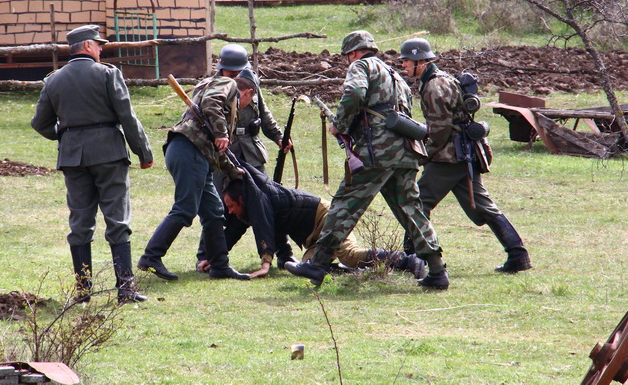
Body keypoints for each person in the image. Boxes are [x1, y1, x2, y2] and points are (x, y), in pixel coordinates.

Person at [285, 30, 449, 290]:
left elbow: (354, 94)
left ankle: (318, 263)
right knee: (411, 210)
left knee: (344, 204)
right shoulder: (396, 76)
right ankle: (437, 271)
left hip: (377, 154)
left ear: (352, 53)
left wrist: (339, 125)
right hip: (406, 152)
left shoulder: (361, 66)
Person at [31, 24, 154, 304]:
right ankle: (125, 289)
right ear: (87, 46)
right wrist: (143, 152)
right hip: (109, 154)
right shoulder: (109, 74)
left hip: (73, 157)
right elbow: (127, 117)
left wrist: (65, 135)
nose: (100, 50)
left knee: (80, 222)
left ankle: (83, 292)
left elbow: (40, 123)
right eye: (98, 45)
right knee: (117, 219)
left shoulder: (53, 80)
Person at [398, 37, 532, 273]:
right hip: (461, 156)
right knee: (483, 207)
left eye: (407, 61)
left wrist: (423, 155)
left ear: (420, 61)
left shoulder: (434, 86)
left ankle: (411, 259)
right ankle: (518, 254)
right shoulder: (438, 80)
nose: (404, 66)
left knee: (417, 204)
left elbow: (439, 130)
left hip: (448, 157)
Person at [196, 163, 427, 280]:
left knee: (348, 254)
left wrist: (265, 262)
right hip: (314, 239)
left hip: (326, 217)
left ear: (242, 200)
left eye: (231, 206)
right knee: (311, 264)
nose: (230, 211)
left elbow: (265, 226)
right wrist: (214, 258)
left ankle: (408, 260)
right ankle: (358, 272)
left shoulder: (258, 202)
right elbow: (234, 231)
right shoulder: (250, 208)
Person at [137, 71, 258, 281]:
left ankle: (220, 266)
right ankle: (151, 257)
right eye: (251, 99)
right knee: (185, 209)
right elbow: (211, 105)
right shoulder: (227, 86)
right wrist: (221, 133)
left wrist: (233, 171)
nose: (248, 104)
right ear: (247, 92)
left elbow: (215, 149)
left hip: (195, 154)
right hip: (189, 151)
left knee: (214, 211)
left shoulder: (218, 97)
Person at [197, 46, 296, 270]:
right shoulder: (213, 88)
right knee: (219, 206)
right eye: (230, 71)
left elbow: (265, 114)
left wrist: (279, 137)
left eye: (237, 71)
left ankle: (283, 253)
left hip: (251, 151)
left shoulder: (250, 85)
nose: (234, 75)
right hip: (224, 153)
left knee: (267, 201)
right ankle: (206, 255)